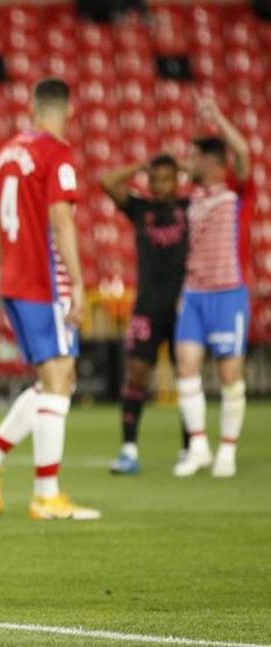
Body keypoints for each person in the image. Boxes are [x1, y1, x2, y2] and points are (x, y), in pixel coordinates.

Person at [0, 78, 100, 520]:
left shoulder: (9, 152)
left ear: (31, 106)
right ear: (70, 111)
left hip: (16, 280)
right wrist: (78, 284)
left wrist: (9, 265)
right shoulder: (55, 153)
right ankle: (46, 494)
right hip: (45, 282)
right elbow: (62, 220)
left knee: (52, 380)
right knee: (60, 376)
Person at [173, 97, 254, 478]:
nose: (188, 161)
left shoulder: (236, 191)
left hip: (227, 293)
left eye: (193, 155)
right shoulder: (191, 198)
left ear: (210, 161)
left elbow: (243, 151)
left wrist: (217, 118)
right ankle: (199, 446)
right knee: (186, 366)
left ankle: (228, 450)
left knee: (228, 374)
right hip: (193, 294)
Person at [100, 155, 191, 474]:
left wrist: (189, 170)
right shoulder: (141, 209)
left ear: (178, 180)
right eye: (156, 179)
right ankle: (128, 450)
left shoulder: (191, 208)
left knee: (187, 381)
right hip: (148, 307)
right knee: (137, 375)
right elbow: (107, 182)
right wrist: (137, 167)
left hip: (183, 307)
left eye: (168, 179)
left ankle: (189, 450)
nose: (161, 185)